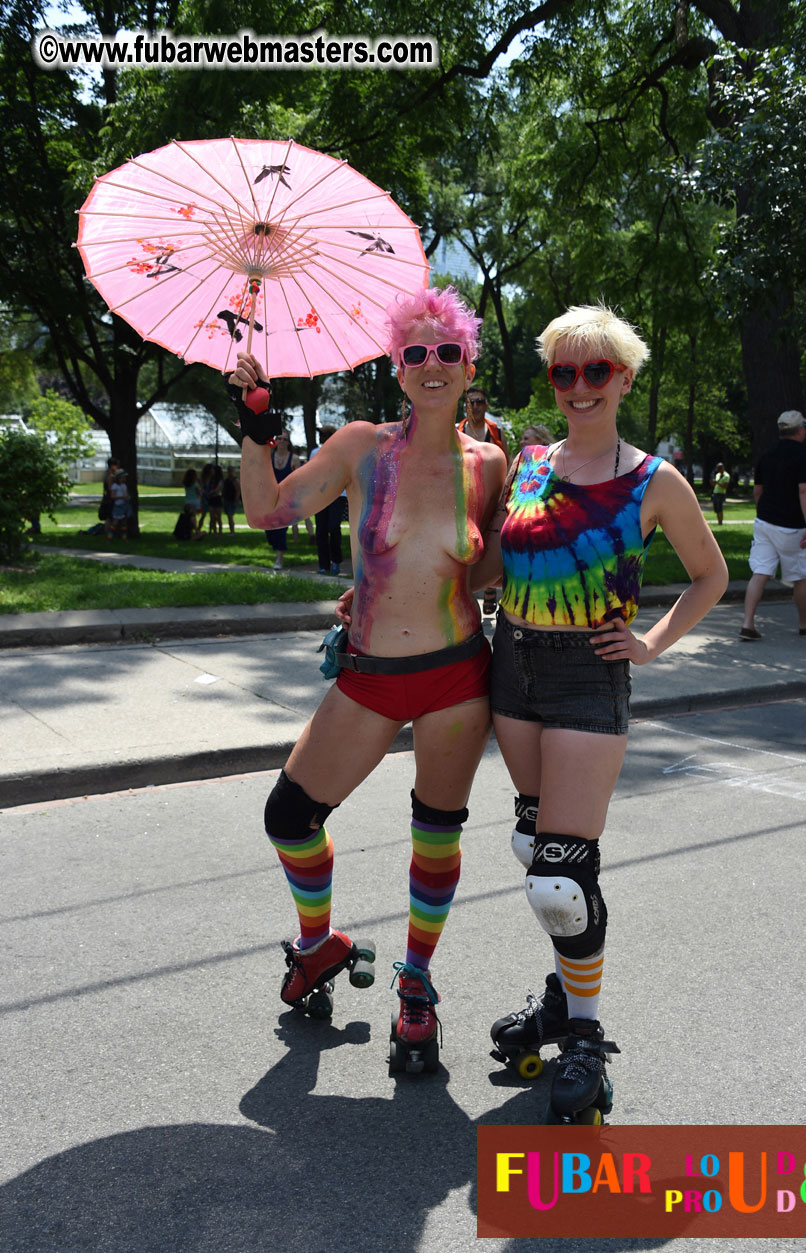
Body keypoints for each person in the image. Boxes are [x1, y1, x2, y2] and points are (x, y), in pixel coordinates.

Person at [228, 286, 505, 1065]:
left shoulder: (487, 463)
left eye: (446, 351)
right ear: (396, 366)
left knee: (435, 832)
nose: (431, 364)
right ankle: (317, 943)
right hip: (369, 675)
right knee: (289, 816)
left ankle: (416, 980)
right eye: (414, 352)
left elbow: (484, 570)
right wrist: (256, 431)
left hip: (456, 677)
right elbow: (266, 511)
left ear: (466, 363)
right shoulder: (361, 447)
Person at [481, 303, 727, 1122]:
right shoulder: (529, 465)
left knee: (560, 875)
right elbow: (490, 564)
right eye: (564, 371)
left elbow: (711, 575)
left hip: (590, 675)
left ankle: (583, 1036)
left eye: (596, 371)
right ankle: (562, 994)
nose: (579, 386)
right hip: (512, 667)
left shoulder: (654, 479)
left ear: (623, 377)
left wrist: (652, 643)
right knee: (535, 847)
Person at [740, 410, 806, 640]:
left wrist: (764, 514)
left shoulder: (767, 455)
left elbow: (758, 491)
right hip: (792, 526)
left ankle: (748, 624)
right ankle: (805, 624)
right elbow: (805, 490)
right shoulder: (804, 455)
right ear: (800, 430)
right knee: (800, 575)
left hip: (765, 522)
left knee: (760, 572)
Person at [457, 388, 508, 614]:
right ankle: (472, 588)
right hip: (463, 493)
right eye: (471, 402)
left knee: (488, 539)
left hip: (490, 492)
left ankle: (487, 588)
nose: (475, 406)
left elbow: (505, 459)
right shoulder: (456, 430)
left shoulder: (494, 431)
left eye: (479, 402)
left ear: (486, 405)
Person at [310, 425, 346, 575]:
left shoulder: (342, 452)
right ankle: (324, 565)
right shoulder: (315, 452)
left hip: (338, 495)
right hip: (320, 496)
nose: (320, 437)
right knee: (321, 531)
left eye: (324, 434)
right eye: (319, 434)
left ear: (332, 435)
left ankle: (336, 560)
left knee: (333, 526)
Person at [265, 434, 304, 570]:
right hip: (270, 497)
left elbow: (298, 479)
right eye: (279, 439)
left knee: (281, 528)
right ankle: (275, 546)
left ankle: (279, 558)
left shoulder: (294, 459)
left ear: (288, 442)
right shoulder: (269, 457)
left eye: (284, 439)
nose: (281, 441)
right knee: (269, 529)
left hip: (286, 498)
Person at [107, 468, 133, 540]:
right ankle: (109, 537)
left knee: (124, 522)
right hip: (118, 505)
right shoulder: (115, 486)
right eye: (123, 477)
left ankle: (124, 538)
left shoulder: (124, 485)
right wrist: (122, 497)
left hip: (125, 504)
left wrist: (127, 497)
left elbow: (126, 494)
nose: (124, 478)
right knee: (115, 522)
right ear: (119, 477)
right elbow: (113, 496)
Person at [222, 465, 240, 534]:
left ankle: (232, 532)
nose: (229, 472)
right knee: (229, 517)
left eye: (231, 471)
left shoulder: (235, 480)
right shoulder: (226, 480)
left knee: (230, 516)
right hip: (227, 500)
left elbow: (238, 491)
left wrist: (235, 500)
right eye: (229, 471)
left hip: (232, 500)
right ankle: (231, 531)